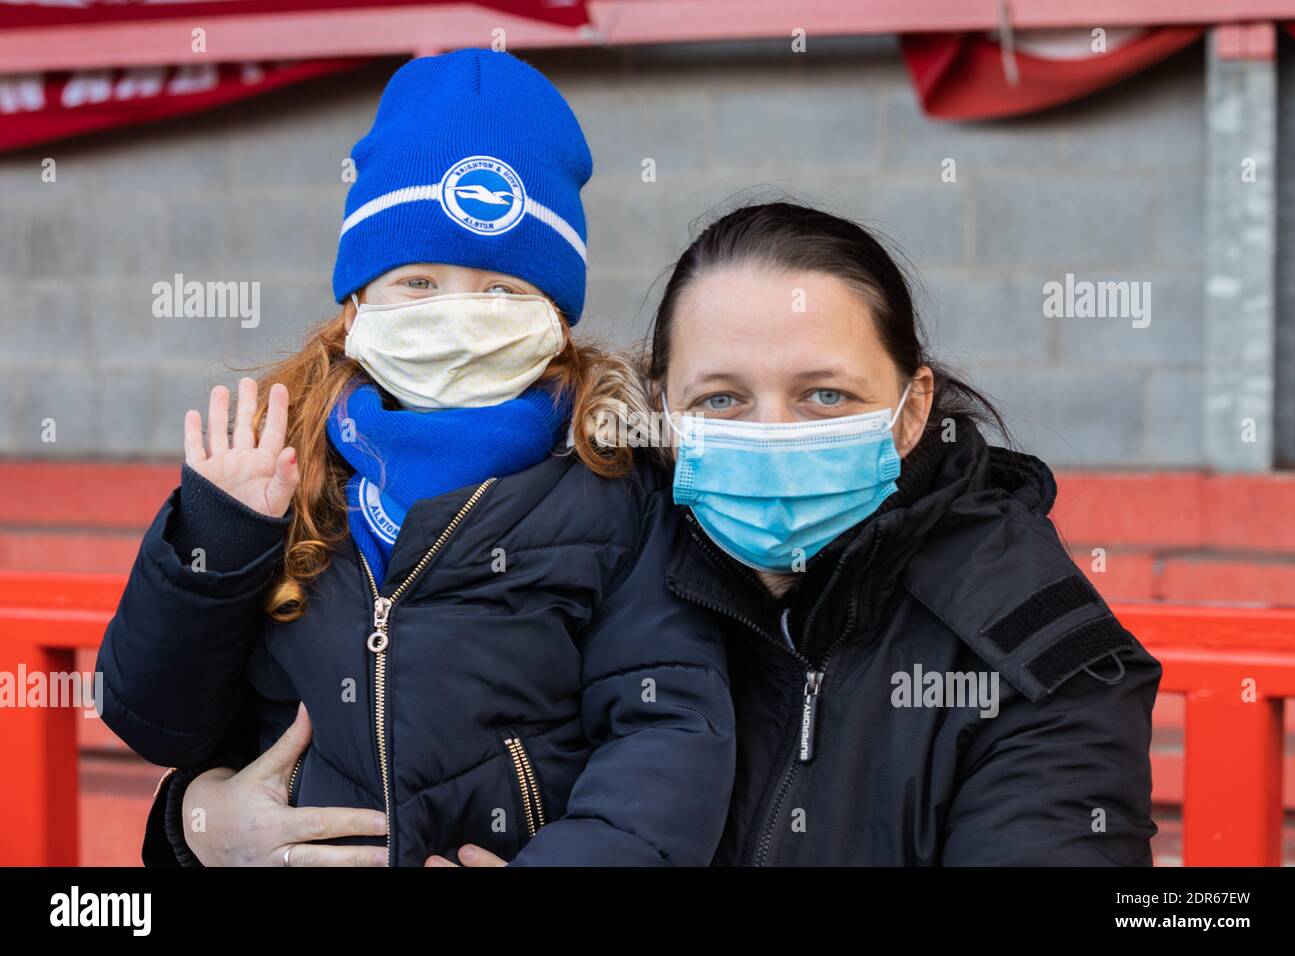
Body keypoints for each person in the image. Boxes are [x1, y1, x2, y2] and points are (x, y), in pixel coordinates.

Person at [140, 200, 1161, 867]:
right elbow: (318, 743)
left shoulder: (1033, 654)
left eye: (822, 393)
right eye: (722, 396)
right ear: (659, 406)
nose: (770, 432)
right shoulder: (605, 545)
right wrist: (192, 831)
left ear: (906, 406)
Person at [96, 48, 734, 868]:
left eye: (502, 287)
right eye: (419, 283)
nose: (460, 313)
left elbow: (668, 734)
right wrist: (214, 543)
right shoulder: (285, 471)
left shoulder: (615, 485)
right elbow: (157, 720)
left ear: (556, 316)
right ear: (359, 302)